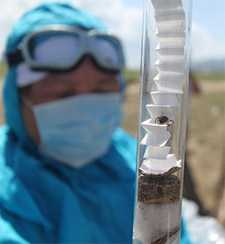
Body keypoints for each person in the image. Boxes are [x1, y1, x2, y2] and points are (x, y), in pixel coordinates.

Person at [0, 2, 191, 243]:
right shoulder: (8, 195)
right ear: (18, 100)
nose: (84, 109)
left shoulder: (136, 161)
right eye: (64, 94)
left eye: (101, 91)